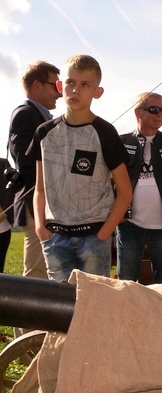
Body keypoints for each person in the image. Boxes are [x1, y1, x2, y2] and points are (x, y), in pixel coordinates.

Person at [28, 55, 132, 282]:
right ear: (59, 86)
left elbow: (125, 192)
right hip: (55, 238)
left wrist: (104, 233)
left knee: (93, 305)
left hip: (94, 238)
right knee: (59, 310)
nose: (75, 90)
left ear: (97, 92)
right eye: (70, 82)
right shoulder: (44, 133)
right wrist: (40, 228)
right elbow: (40, 188)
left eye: (85, 85)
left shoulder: (105, 132)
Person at [117, 92, 162, 284]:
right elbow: (108, 183)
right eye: (154, 109)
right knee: (126, 282)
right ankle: (126, 314)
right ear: (138, 113)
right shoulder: (122, 142)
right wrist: (116, 214)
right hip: (130, 225)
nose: (160, 114)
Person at [8, 60, 61, 279]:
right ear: (37, 85)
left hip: (50, 204)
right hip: (37, 203)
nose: (60, 93)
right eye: (55, 86)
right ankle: (28, 314)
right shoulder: (26, 114)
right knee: (37, 270)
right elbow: (26, 162)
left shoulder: (43, 116)